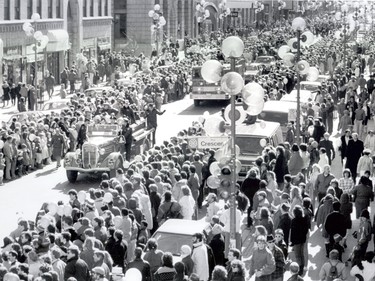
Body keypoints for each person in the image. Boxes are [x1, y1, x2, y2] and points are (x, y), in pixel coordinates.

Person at [290, 205, 309, 276]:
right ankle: (302, 267)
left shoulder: (293, 221)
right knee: (302, 254)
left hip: (296, 241)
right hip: (303, 240)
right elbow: (306, 230)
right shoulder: (304, 219)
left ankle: (299, 269)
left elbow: (292, 232)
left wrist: (291, 242)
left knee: (297, 255)